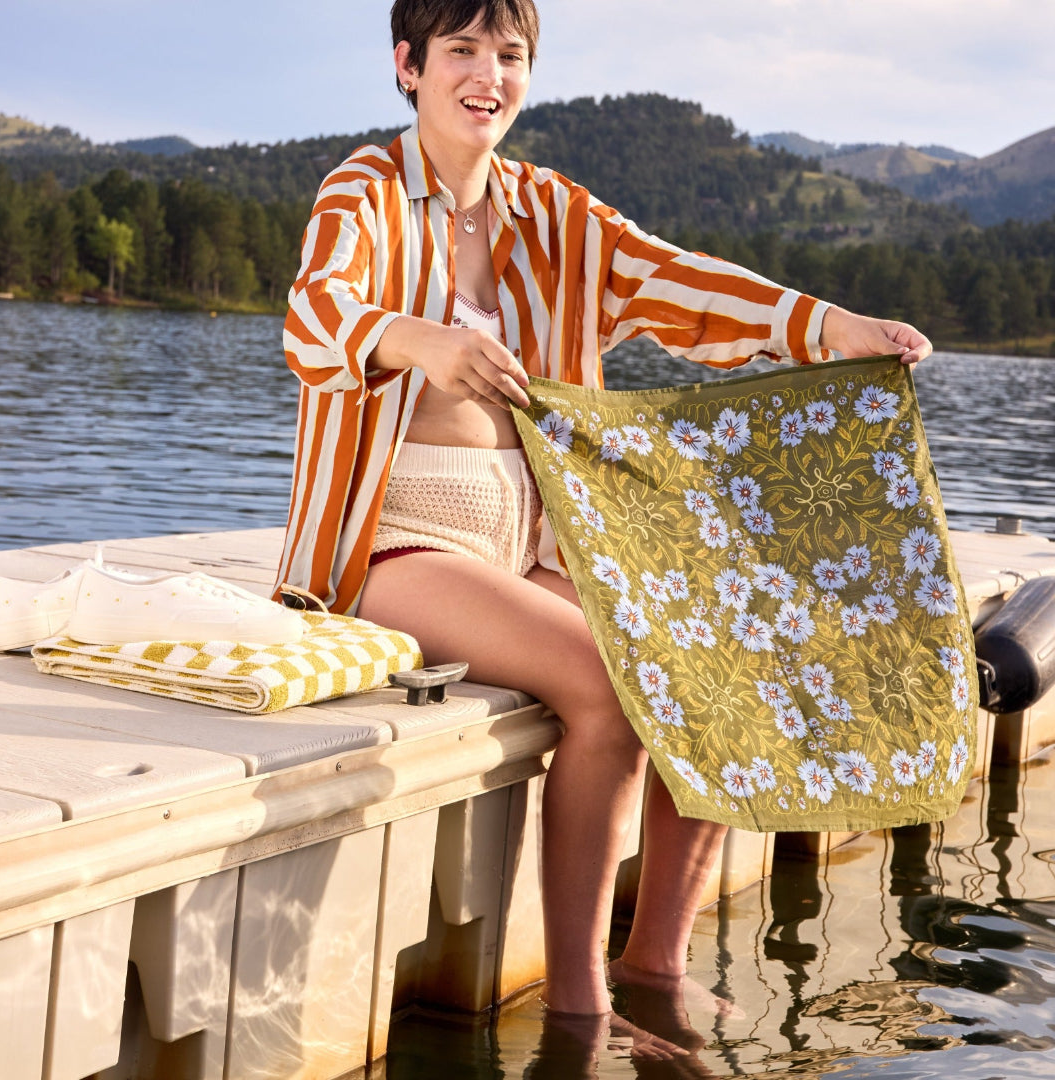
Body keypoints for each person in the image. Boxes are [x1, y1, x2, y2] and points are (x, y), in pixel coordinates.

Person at [276, 0, 932, 1032]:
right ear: (408, 66)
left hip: (533, 537)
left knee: (721, 666)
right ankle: (579, 1001)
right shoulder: (365, 188)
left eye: (509, 54)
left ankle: (654, 964)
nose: (487, 75)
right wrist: (416, 339)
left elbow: (682, 284)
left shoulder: (552, 212)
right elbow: (314, 313)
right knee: (608, 688)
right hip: (394, 543)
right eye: (461, 51)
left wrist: (832, 327)